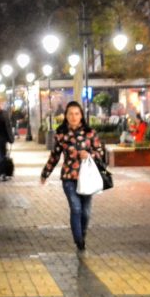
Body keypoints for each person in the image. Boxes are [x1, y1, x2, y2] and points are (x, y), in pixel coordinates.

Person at [40, 101, 105, 251]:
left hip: (87, 178)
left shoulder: (90, 133)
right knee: (76, 208)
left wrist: (89, 154)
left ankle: (82, 233)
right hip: (69, 177)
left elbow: (100, 152)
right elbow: (54, 156)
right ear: (66, 116)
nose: (74, 117)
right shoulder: (61, 134)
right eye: (70, 114)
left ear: (81, 115)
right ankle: (79, 241)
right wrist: (45, 173)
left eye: (77, 114)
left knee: (86, 212)